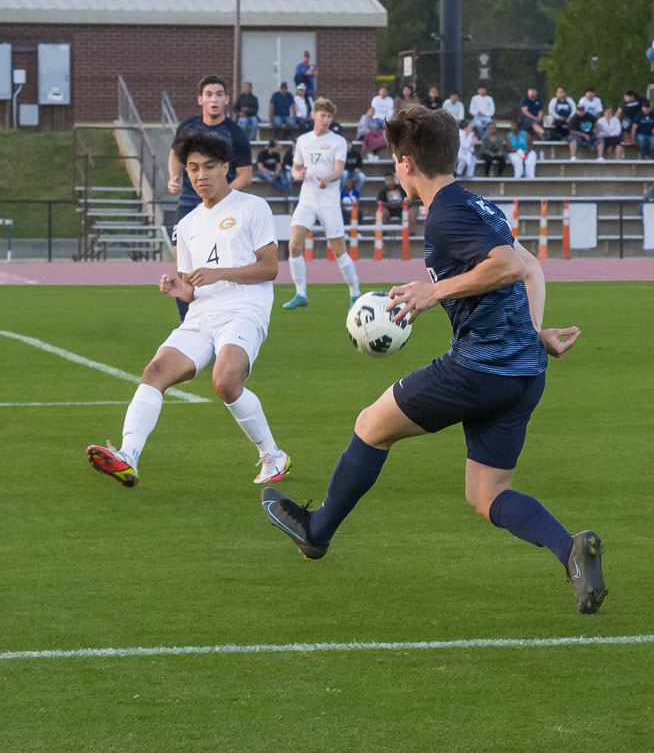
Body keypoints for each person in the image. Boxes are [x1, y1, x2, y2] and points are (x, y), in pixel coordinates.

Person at [259, 103, 605, 615]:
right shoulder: (479, 205)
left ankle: (317, 531)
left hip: (478, 368)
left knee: (371, 424)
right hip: (524, 373)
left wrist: (433, 292)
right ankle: (570, 549)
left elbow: (509, 266)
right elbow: (532, 267)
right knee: (487, 494)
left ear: (404, 164)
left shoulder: (445, 214)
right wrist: (534, 335)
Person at [87, 131, 289, 488]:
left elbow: (270, 268)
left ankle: (272, 454)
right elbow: (190, 290)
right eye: (193, 168)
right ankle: (127, 456)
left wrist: (219, 273)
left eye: (209, 166)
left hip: (244, 311)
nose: (201, 175)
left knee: (225, 382)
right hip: (202, 316)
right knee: (155, 371)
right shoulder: (187, 224)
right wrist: (177, 288)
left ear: (226, 166)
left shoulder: (252, 207)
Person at [168, 75, 254, 320]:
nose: (214, 99)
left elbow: (246, 175)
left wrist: (219, 195)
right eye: (209, 94)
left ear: (226, 100)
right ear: (200, 99)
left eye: (218, 94)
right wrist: (173, 178)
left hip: (221, 209)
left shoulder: (235, 134)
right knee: (183, 268)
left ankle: (224, 320)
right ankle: (189, 325)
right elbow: (175, 155)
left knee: (218, 264)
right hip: (188, 205)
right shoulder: (188, 127)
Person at [282, 98, 359, 310]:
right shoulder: (303, 140)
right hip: (306, 199)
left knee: (338, 250)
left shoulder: (338, 141)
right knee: (294, 245)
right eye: (322, 115)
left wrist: (329, 179)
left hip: (328, 201)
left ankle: (355, 292)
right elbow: (295, 168)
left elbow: (339, 170)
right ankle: (300, 293)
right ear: (314, 115)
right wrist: (298, 173)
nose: (326, 120)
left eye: (329, 117)